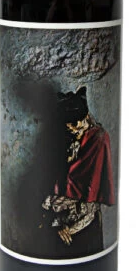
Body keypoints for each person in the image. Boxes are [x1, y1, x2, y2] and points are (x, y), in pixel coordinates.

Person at [42, 87, 115, 257]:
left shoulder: (98, 139)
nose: (75, 131)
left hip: (84, 221)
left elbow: (91, 189)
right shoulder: (68, 137)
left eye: (76, 125)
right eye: (70, 128)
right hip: (60, 216)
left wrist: (70, 228)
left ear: (86, 117)